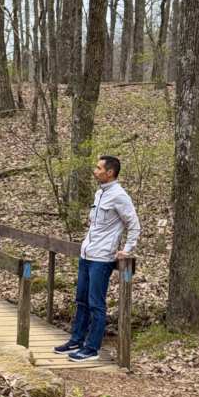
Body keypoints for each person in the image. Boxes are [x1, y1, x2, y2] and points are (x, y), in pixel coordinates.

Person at [54, 155, 141, 361]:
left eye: (98, 168)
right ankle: (76, 340)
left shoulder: (119, 196)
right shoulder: (99, 194)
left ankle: (91, 348)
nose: (95, 170)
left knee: (96, 303)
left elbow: (134, 224)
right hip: (87, 254)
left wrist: (127, 249)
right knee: (81, 300)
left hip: (102, 258)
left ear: (110, 172)